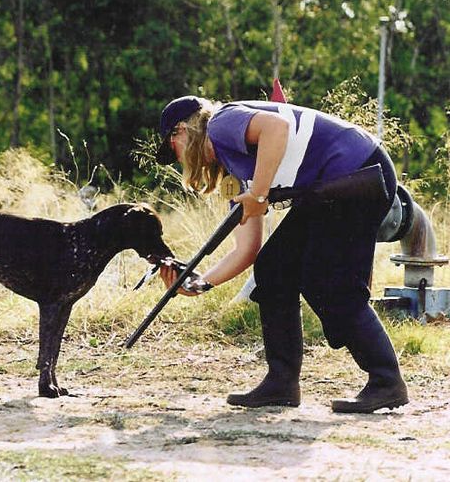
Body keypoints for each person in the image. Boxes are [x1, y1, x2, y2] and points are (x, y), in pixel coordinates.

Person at [156, 95, 409, 414]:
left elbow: (276, 128)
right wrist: (199, 283)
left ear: (181, 131)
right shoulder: (234, 170)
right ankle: (281, 383)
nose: (178, 159)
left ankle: (386, 381)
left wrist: (259, 193)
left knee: (328, 282)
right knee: (273, 267)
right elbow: (247, 250)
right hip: (329, 187)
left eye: (173, 150)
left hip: (358, 172)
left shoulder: (220, 123)